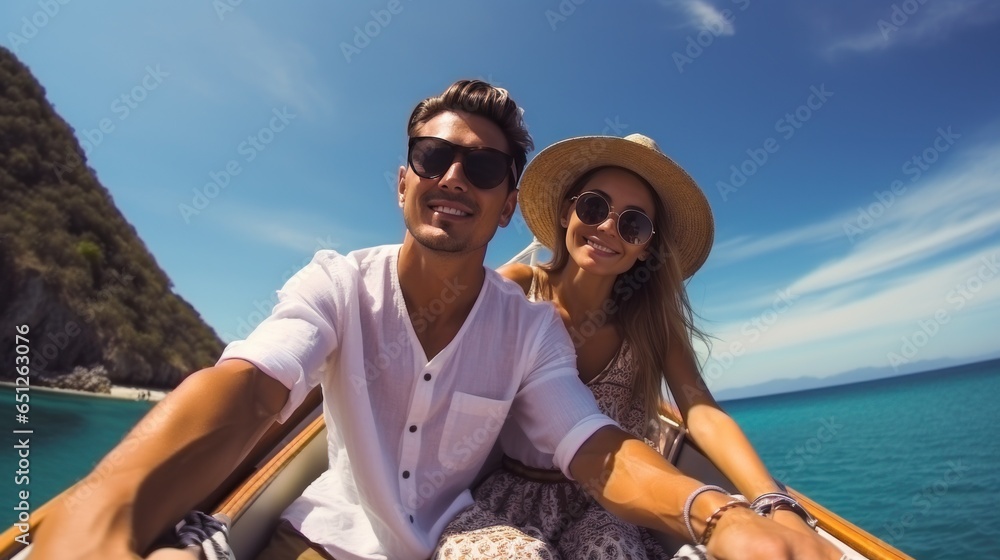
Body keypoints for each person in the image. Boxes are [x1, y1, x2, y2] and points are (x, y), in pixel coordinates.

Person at [31, 81, 840, 560]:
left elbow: (597, 448)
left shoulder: (526, 330)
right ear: (402, 181)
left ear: (502, 208)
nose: (454, 177)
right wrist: (112, 497)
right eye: (433, 158)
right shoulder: (338, 284)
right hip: (337, 533)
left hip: (472, 524)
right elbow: (246, 390)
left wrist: (729, 509)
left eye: (483, 169)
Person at [436, 134, 839, 559]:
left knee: (610, 550)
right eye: (593, 206)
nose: (608, 227)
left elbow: (701, 411)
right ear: (566, 212)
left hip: (610, 501)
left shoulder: (650, 325)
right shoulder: (518, 286)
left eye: (634, 224)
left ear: (646, 248)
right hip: (509, 493)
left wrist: (776, 504)